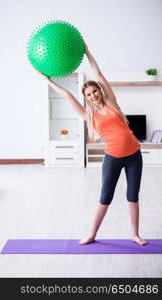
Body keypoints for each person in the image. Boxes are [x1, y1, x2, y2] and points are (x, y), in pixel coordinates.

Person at [35, 42, 147, 246]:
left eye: (95, 91)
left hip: (134, 156)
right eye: (88, 94)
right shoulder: (88, 115)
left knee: (133, 196)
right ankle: (92, 234)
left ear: (100, 92)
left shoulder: (112, 103)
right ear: (86, 98)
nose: (93, 95)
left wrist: (87, 51)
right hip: (113, 158)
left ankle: (135, 234)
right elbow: (67, 95)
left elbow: (99, 74)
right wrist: (47, 79)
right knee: (105, 197)